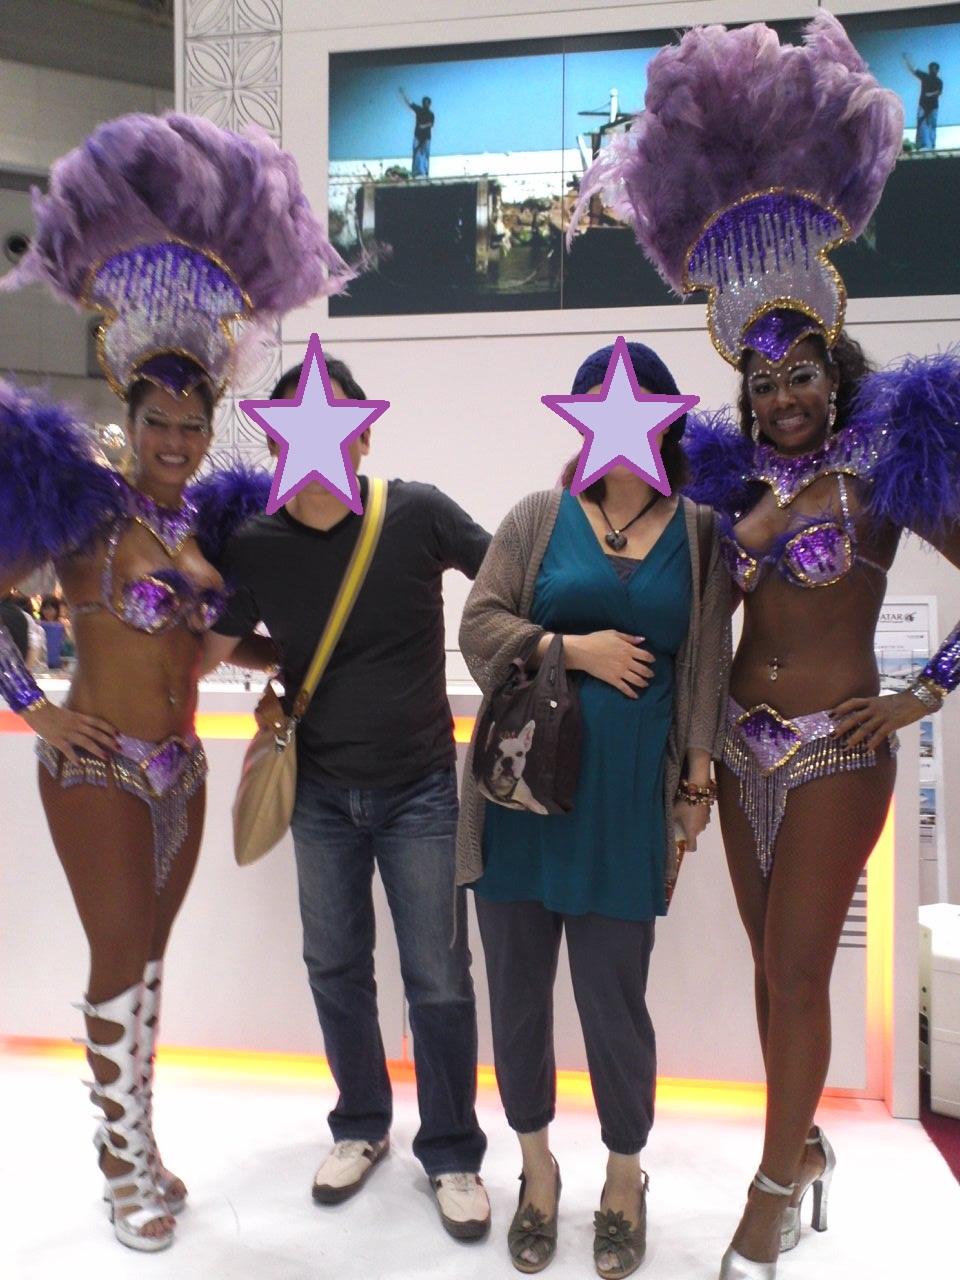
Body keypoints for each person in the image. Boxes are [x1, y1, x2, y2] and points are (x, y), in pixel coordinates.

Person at [575, 15, 960, 1279]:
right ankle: (809, 1147)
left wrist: (921, 695)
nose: (783, 394)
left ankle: (772, 1190)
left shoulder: (891, 465)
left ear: (833, 366)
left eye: (801, 371)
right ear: (740, 388)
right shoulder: (728, 482)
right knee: (770, 970)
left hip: (839, 749)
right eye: (762, 377)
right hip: (737, 749)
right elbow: (690, 613)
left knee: (798, 970)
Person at [0, 111, 353, 1253]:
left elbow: (206, 645)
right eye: (160, 421)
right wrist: (32, 705)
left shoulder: (208, 522)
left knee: (150, 963)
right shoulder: (82, 513)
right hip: (97, 768)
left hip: (182, 772)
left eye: (195, 425)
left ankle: (141, 1141)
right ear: (130, 409)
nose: (177, 440)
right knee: (118, 957)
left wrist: (288, 662)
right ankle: (118, 1167)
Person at [203, 355, 494, 1242]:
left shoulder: (417, 513)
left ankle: (451, 1150)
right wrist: (283, 665)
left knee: (437, 976)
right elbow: (216, 642)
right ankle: (361, 1122)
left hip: (421, 789)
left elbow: (507, 578)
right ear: (275, 445)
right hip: (320, 793)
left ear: (365, 435)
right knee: (333, 964)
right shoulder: (256, 544)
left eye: (340, 426)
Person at [456, 340, 731, 1278]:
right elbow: (478, 626)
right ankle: (536, 1169)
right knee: (517, 997)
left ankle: (623, 1174)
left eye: (638, 407)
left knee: (616, 1004)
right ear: (579, 421)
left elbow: (707, 667)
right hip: (520, 801)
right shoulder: (540, 516)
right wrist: (572, 648)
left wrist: (695, 787)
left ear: (666, 422)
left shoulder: (699, 532)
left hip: (624, 808)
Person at [902, 52, 943, 149]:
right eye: (931, 68)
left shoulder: (939, 81)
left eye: (934, 68)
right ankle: (921, 144)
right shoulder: (925, 77)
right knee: (921, 125)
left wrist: (930, 94)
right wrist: (907, 60)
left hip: (933, 107)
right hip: (923, 105)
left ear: (937, 70)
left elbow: (939, 92)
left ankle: (931, 145)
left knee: (932, 125)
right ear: (929, 69)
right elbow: (913, 70)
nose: (932, 70)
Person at [399, 88, 435, 176]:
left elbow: (431, 124)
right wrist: (403, 94)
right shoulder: (419, 110)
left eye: (427, 103)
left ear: (429, 104)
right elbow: (410, 103)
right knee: (416, 154)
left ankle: (425, 172)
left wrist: (423, 126)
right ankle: (416, 172)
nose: (426, 104)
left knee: (425, 154)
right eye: (425, 103)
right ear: (423, 103)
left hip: (426, 137)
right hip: (418, 136)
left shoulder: (431, 114)